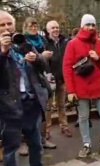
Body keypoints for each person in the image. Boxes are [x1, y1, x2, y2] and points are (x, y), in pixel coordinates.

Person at [0, 10, 49, 166]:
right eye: (2, 24)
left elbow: (43, 67)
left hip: (30, 102)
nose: (6, 27)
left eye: (9, 23)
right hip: (8, 107)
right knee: (11, 149)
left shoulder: (23, 41)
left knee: (35, 143)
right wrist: (3, 53)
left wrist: (36, 59)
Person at [63, 14, 100, 158]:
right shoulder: (72, 44)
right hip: (80, 88)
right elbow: (66, 68)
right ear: (82, 26)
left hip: (99, 87)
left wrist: (98, 58)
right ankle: (86, 144)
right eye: (88, 25)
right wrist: (70, 90)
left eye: (93, 25)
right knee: (83, 117)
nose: (91, 27)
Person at [20, 17, 56, 154]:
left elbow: (44, 64)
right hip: (27, 82)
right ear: (25, 27)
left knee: (42, 111)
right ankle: (25, 143)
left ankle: (42, 139)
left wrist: (44, 58)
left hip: (41, 81)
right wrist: (42, 56)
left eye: (35, 25)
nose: (34, 28)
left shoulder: (42, 41)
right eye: (31, 26)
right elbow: (26, 62)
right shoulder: (21, 41)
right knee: (26, 112)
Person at [44, 20, 72, 139]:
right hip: (49, 80)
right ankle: (46, 130)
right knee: (48, 107)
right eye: (53, 28)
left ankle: (64, 126)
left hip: (62, 78)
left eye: (57, 27)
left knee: (62, 105)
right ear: (48, 30)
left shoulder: (65, 41)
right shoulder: (44, 42)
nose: (56, 30)